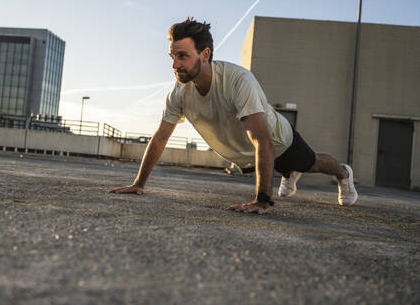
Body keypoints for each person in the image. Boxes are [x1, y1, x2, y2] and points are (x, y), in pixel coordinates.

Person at [107, 18, 358, 214]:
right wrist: (139, 183)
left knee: (312, 163)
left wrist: (262, 201)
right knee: (285, 168)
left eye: (182, 56)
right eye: (172, 56)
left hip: (280, 142)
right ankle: (288, 174)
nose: (174, 64)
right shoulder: (179, 93)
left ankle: (343, 173)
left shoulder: (238, 81)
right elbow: (160, 138)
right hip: (249, 156)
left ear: (204, 55)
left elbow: (264, 141)